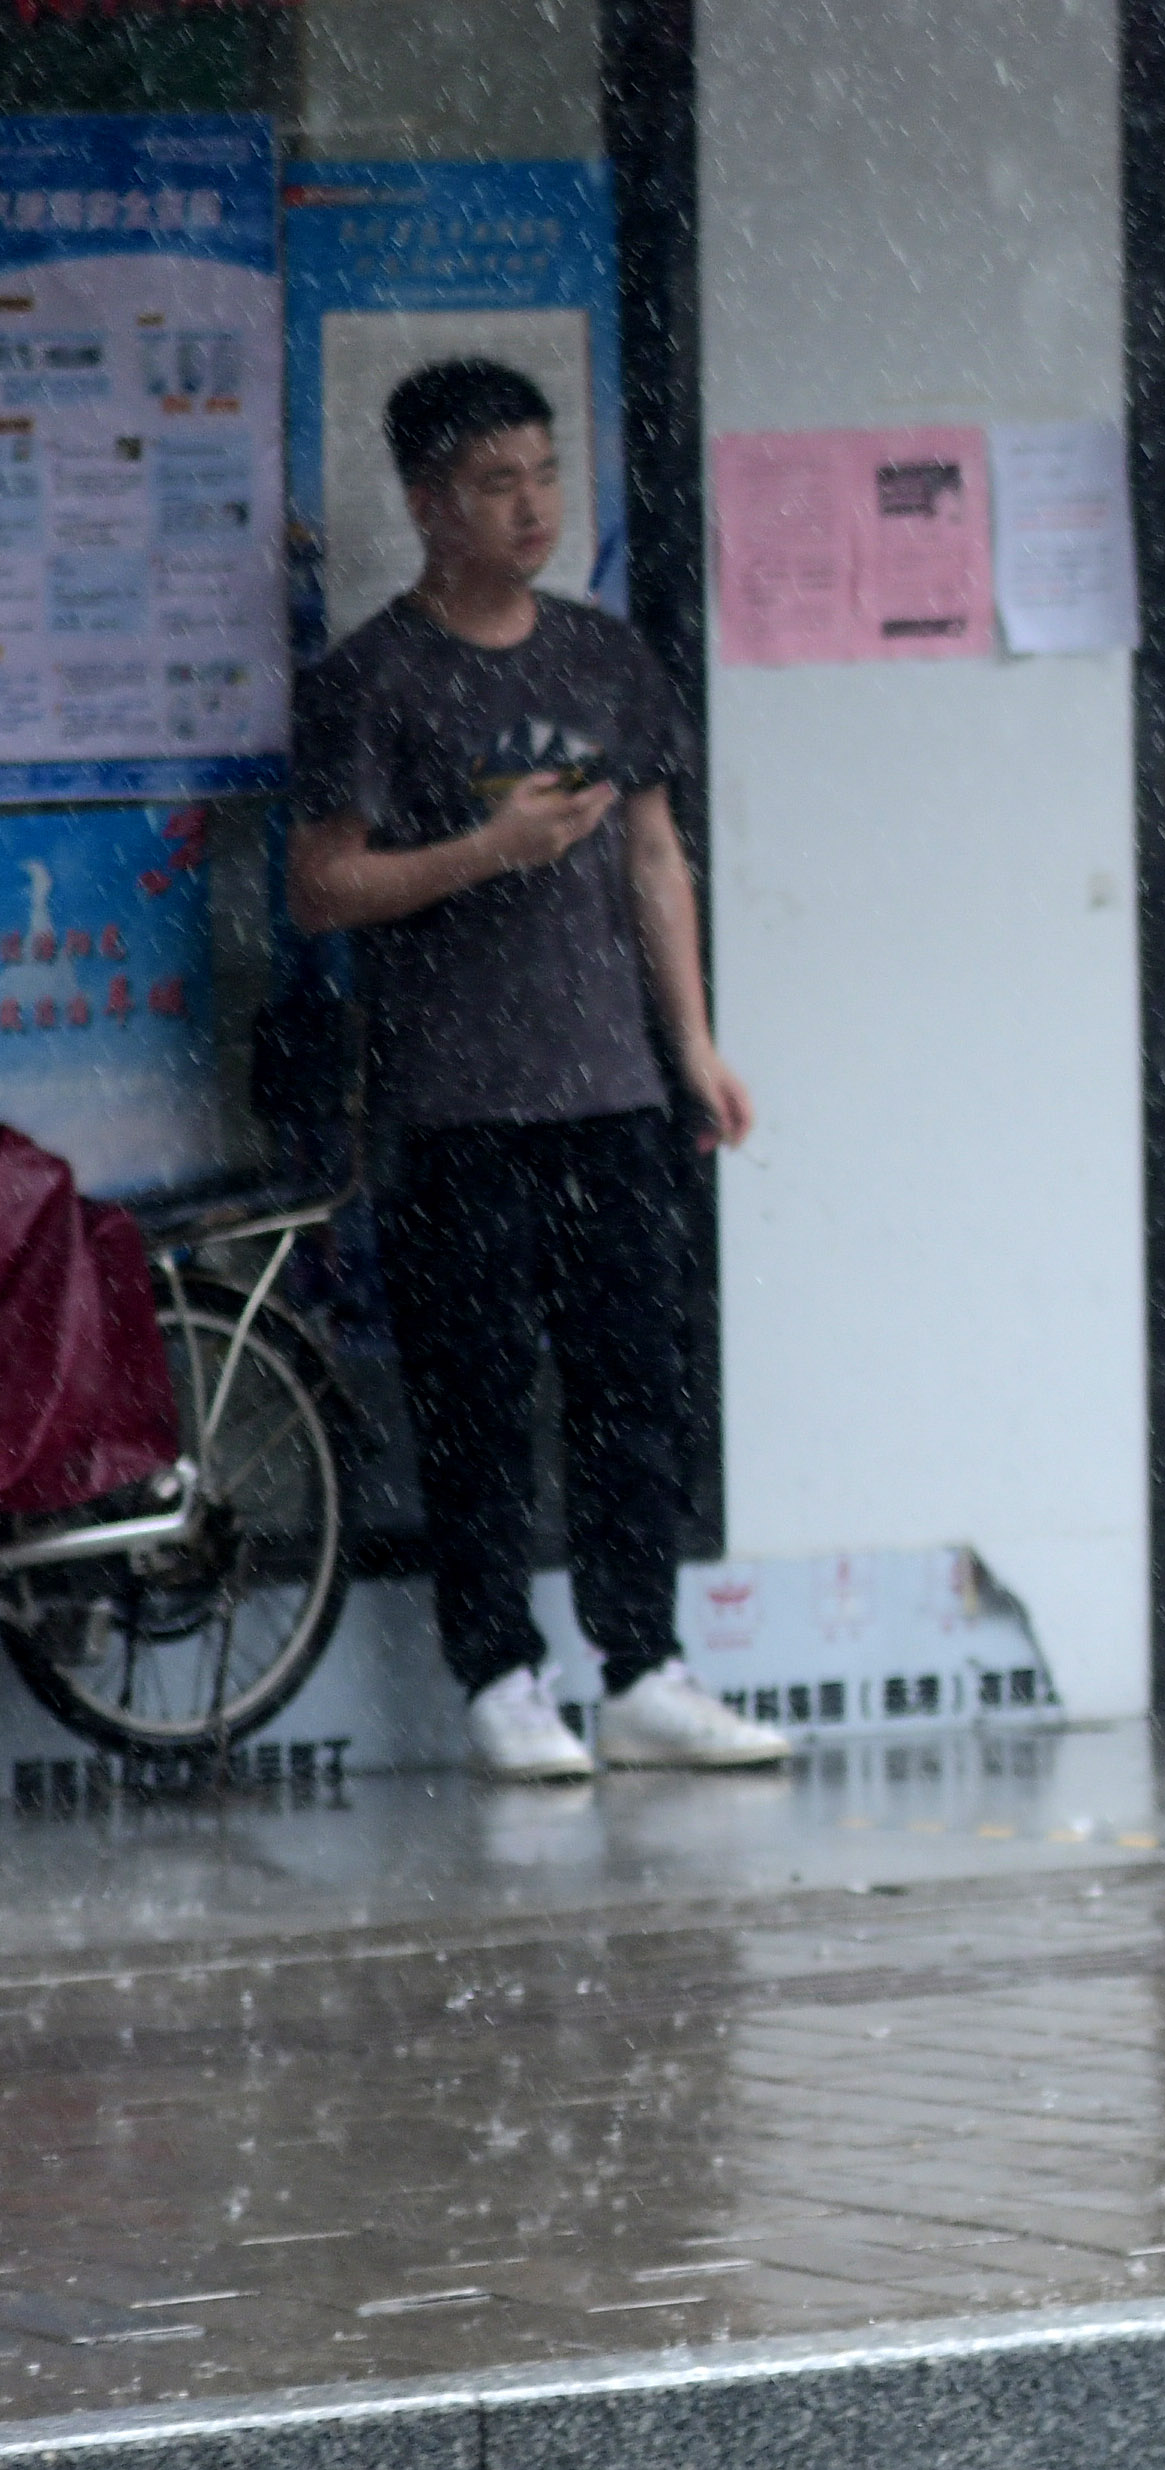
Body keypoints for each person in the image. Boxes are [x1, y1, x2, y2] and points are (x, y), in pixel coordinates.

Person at [284, 357, 787, 1781]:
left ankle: (644, 1667)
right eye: (495, 482)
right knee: (478, 1400)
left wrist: (693, 1045)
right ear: (426, 501)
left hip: (612, 1091)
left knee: (635, 1386)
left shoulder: (604, 658)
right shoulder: (371, 678)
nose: (531, 506)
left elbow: (653, 856)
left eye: (545, 474)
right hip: (454, 1104)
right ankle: (499, 1675)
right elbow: (320, 887)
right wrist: (482, 853)